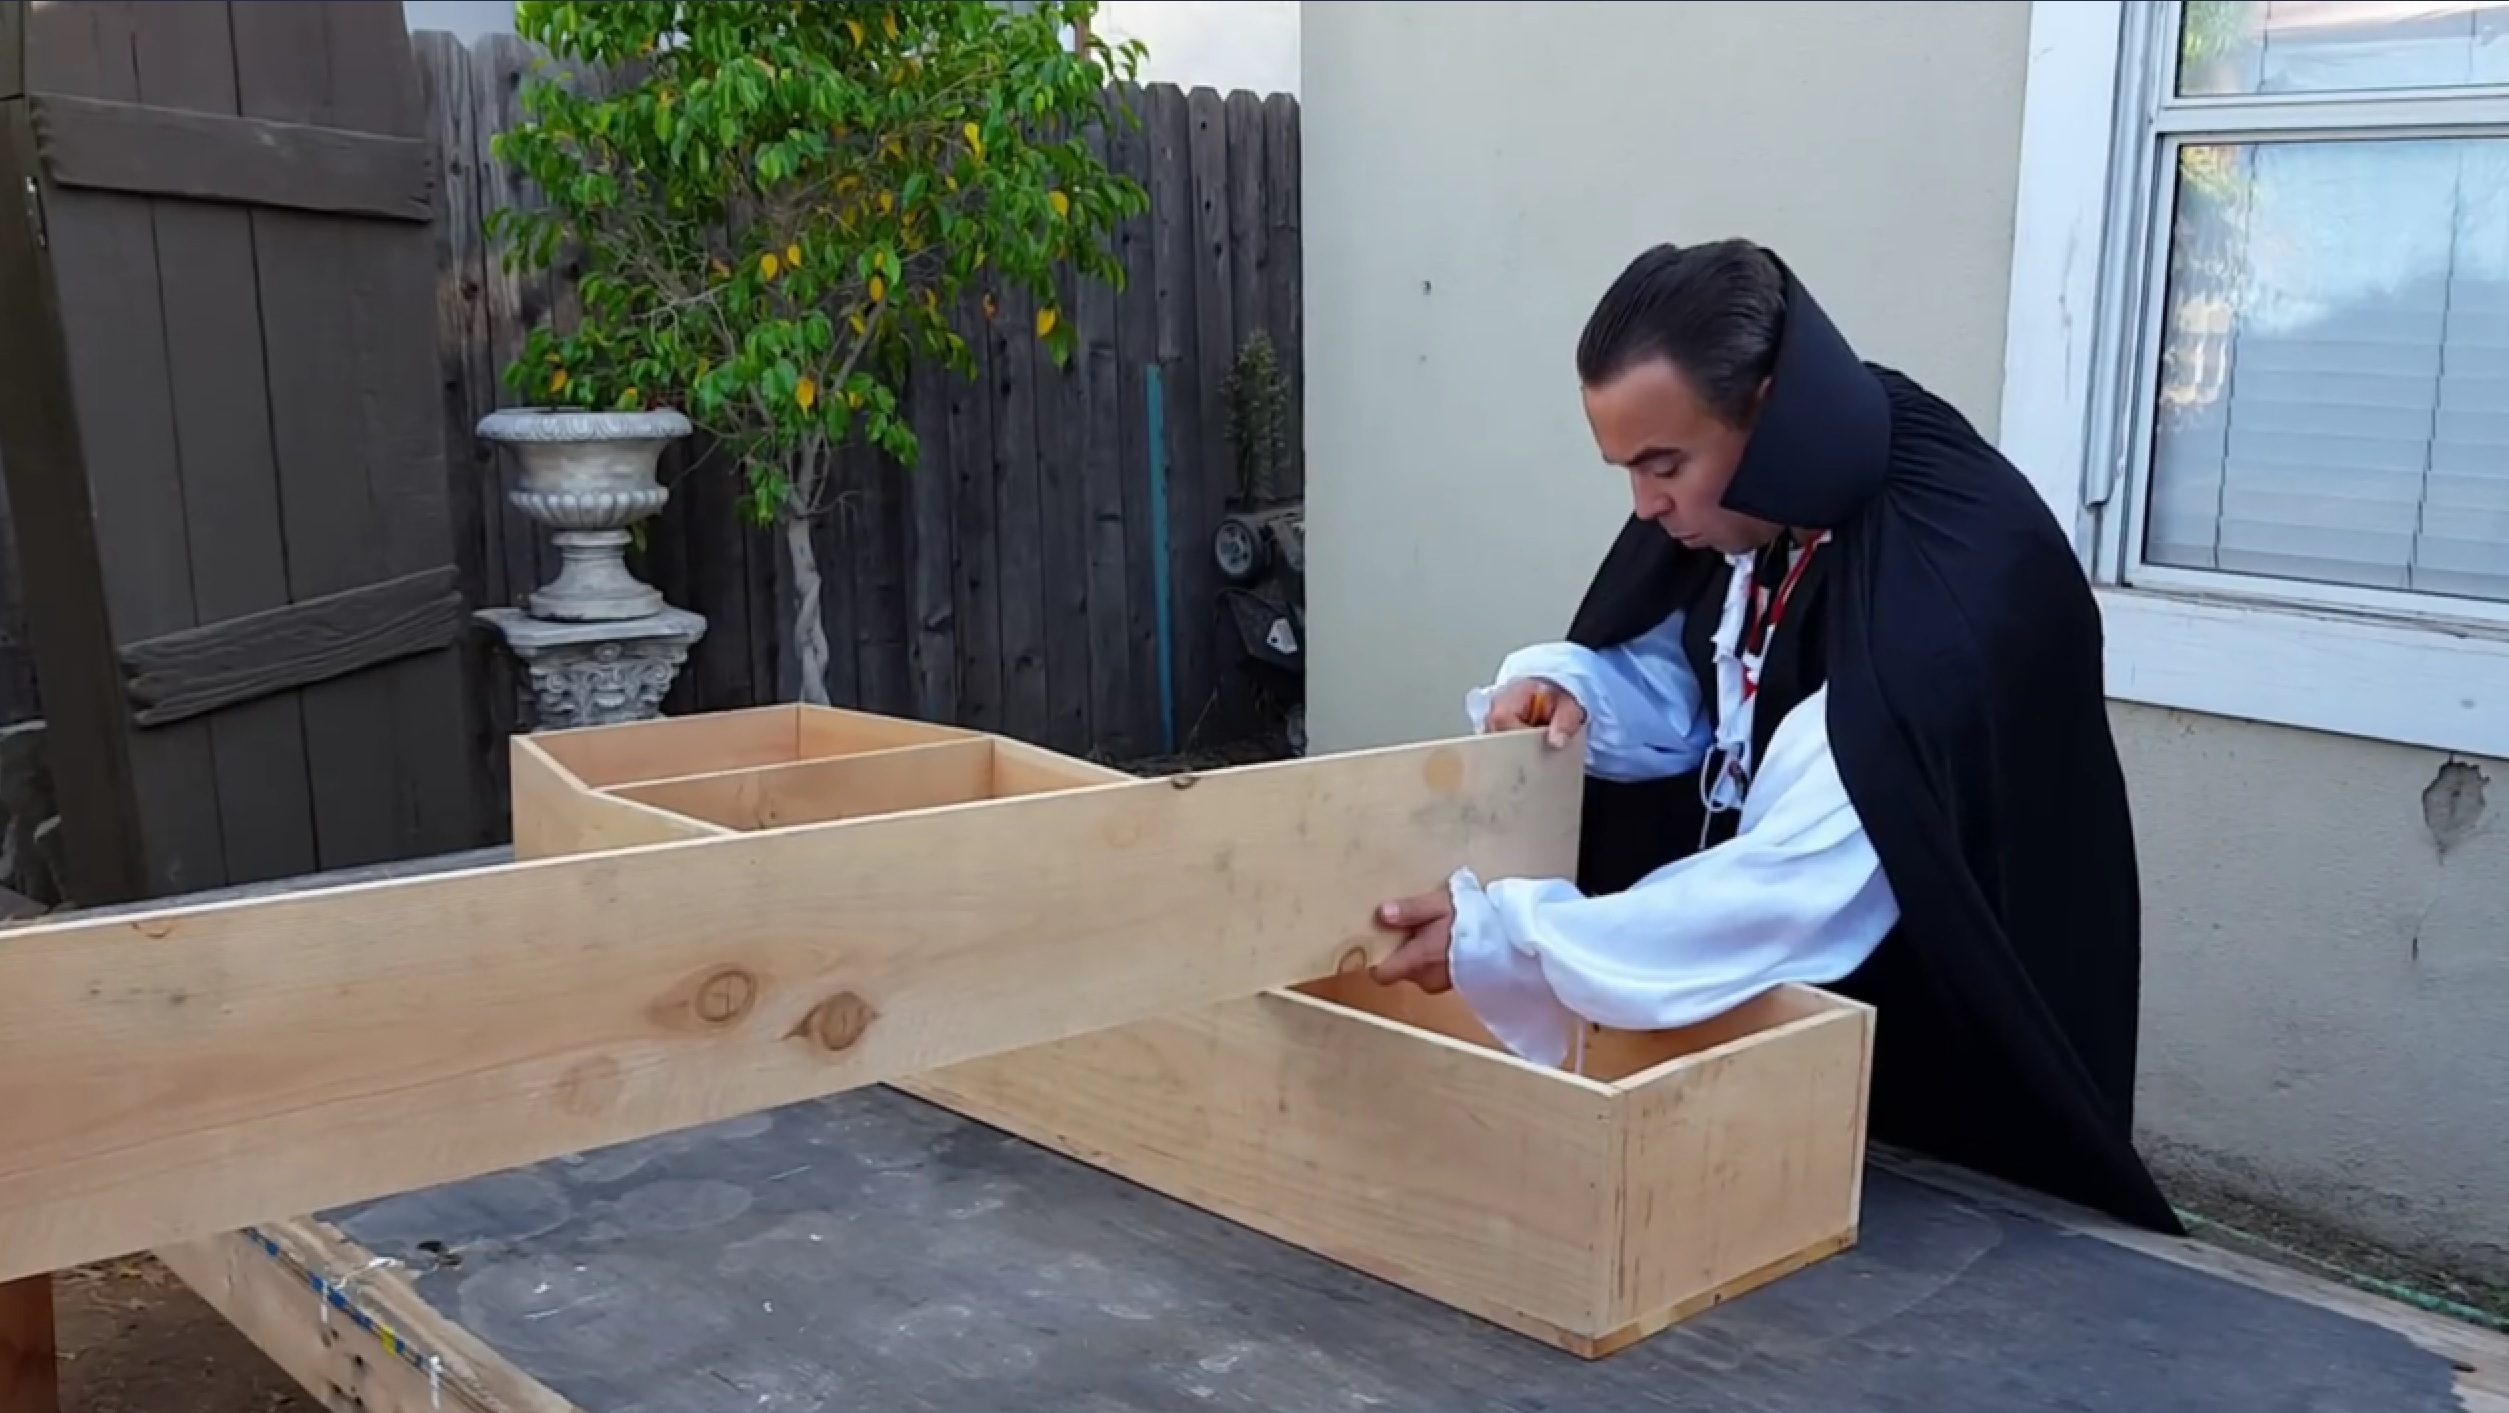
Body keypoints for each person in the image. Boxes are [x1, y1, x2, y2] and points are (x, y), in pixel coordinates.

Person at [1368, 238, 2182, 1234]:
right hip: (1796, 1042)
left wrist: (1510, 937)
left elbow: (1792, 885)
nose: (1645, 507)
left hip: (1939, 1054)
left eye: (1664, 465)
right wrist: (1578, 690)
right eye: (1628, 469)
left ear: (1766, 412)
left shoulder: (1947, 595)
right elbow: (1717, 685)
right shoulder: (1782, 487)